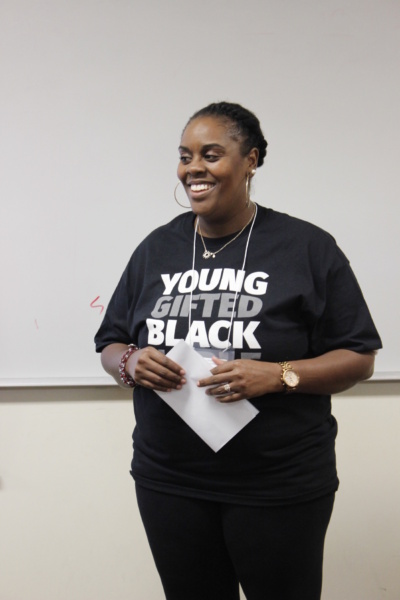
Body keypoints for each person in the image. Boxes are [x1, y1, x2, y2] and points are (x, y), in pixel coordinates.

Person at [94, 101, 382, 600]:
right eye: (185, 156)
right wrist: (131, 361)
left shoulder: (306, 247)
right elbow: (111, 342)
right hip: (169, 480)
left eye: (211, 154)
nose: (193, 168)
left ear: (250, 161)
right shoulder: (156, 249)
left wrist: (280, 374)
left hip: (278, 483)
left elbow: (359, 356)